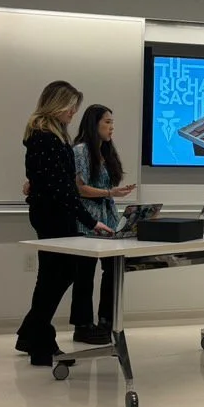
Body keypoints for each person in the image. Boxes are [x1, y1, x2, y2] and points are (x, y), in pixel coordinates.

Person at [16, 81, 113, 366]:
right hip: (53, 215)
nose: (74, 113)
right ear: (58, 104)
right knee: (57, 275)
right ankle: (39, 342)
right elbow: (62, 189)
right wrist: (90, 220)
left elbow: (50, 180)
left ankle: (31, 336)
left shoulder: (51, 135)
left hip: (53, 212)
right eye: (71, 107)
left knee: (54, 275)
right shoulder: (45, 137)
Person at [71, 105, 135, 345]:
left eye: (112, 122)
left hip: (108, 219)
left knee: (113, 270)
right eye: (107, 122)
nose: (111, 127)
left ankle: (107, 320)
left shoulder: (105, 151)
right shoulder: (80, 151)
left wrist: (115, 192)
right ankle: (83, 325)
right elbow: (78, 187)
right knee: (84, 274)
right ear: (94, 124)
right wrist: (110, 192)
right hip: (87, 219)